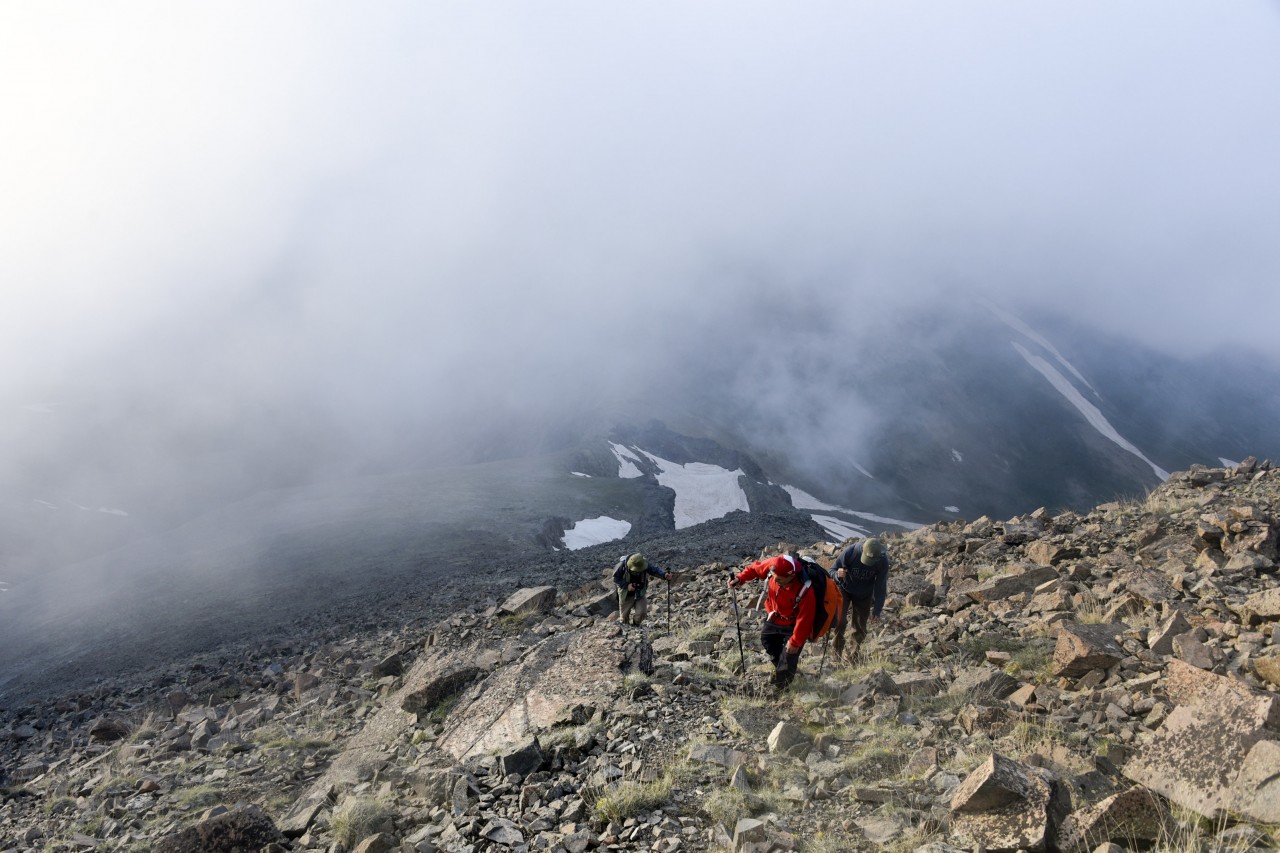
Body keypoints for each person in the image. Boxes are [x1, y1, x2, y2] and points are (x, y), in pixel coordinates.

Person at [727, 552, 815, 689]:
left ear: (791, 576)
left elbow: (805, 619)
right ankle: (784, 667)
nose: (775, 581)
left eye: (779, 579)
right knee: (767, 640)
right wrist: (740, 579)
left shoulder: (805, 589)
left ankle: (781, 688)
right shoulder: (774, 565)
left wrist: (795, 642)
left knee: (789, 654)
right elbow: (754, 569)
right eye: (773, 577)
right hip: (775, 617)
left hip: (793, 624)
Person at [829, 536, 890, 662]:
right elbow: (831, 570)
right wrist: (837, 575)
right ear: (862, 550)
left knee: (860, 626)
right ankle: (837, 652)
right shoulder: (850, 552)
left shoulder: (882, 562)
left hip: (865, 594)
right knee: (840, 621)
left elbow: (880, 587)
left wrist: (877, 610)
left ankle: (853, 655)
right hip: (844, 589)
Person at [613, 553, 670, 626]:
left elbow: (654, 570)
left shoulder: (643, 563)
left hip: (640, 592)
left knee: (642, 612)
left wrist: (664, 575)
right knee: (624, 617)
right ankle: (625, 628)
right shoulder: (621, 566)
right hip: (626, 594)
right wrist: (627, 586)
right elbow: (616, 579)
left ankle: (636, 625)